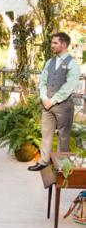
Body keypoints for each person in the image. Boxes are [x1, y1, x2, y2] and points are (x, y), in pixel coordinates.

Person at [28, 32, 81, 172]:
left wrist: (53, 100)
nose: (52, 45)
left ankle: (62, 165)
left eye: (55, 43)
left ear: (64, 44)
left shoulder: (73, 63)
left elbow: (69, 86)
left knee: (63, 136)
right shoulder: (50, 62)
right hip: (47, 105)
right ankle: (44, 161)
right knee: (46, 134)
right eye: (52, 43)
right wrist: (44, 98)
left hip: (63, 106)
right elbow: (43, 82)